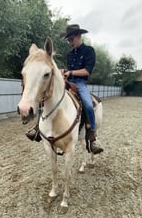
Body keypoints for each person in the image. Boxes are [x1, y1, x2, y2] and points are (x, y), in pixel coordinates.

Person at [26, 24, 103, 155]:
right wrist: (64, 72)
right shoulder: (70, 54)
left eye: (71, 39)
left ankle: (92, 137)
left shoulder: (89, 51)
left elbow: (86, 71)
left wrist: (71, 72)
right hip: (67, 81)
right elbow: (68, 71)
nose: (70, 42)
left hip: (80, 84)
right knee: (47, 96)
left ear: (79, 36)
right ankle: (39, 128)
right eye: (69, 40)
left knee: (89, 105)